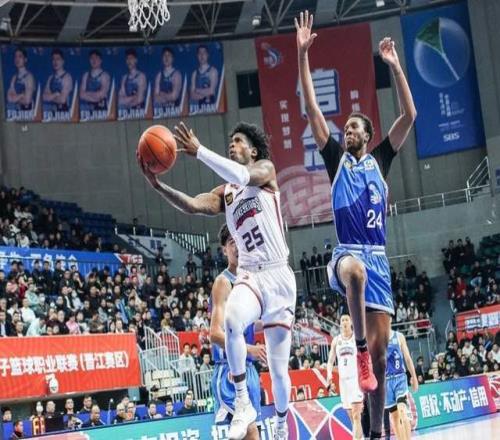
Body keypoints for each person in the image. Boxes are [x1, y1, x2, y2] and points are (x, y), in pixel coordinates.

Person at [296, 10, 416, 439]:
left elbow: (410, 114)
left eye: (352, 128)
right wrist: (302, 55)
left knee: (383, 362)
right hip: (347, 253)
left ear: (367, 134)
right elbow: (312, 109)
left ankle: (376, 431)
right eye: (344, 128)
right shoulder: (336, 159)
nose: (345, 130)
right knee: (355, 273)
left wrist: (395, 66)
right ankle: (360, 349)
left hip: (379, 259)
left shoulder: (381, 158)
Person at [139, 120, 296, 440]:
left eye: (238, 141)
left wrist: (200, 151)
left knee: (279, 371)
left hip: (279, 275)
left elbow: (243, 176)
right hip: (251, 275)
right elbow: (193, 205)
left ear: (253, 150)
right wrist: (158, 186)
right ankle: (242, 402)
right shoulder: (226, 194)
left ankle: (281, 422)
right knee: (232, 320)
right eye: (231, 141)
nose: (232, 145)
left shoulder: (265, 171)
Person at [209, 224, 264, 440]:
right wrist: (248, 348)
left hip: (248, 368)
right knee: (250, 432)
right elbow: (215, 333)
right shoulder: (223, 282)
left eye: (241, 241)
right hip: (229, 369)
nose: (238, 247)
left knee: (250, 433)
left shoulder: (249, 281)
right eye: (233, 243)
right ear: (224, 250)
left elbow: (249, 324)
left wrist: (277, 322)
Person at [327, 315, 364, 440]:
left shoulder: (357, 338)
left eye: (347, 320)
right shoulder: (336, 340)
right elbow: (330, 361)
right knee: (352, 417)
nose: (344, 322)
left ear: (351, 322)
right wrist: (329, 375)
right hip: (343, 382)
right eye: (342, 320)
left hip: (355, 380)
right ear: (340, 323)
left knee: (356, 415)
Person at [385, 330, 418, 440]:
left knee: (403, 411)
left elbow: (407, 358)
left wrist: (414, 377)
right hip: (386, 382)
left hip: (400, 378)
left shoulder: (399, 336)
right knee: (394, 418)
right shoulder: (377, 338)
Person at [42, 49, 73, 118]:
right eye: (53, 59)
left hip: (64, 115)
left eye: (58, 59)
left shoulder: (67, 77)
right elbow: (43, 97)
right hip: (51, 114)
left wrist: (50, 97)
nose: (55, 62)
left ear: (63, 61)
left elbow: (62, 100)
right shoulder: (50, 78)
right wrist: (56, 94)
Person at [79, 50, 110, 116]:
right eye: (92, 58)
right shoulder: (86, 75)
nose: (94, 60)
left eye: (96, 58)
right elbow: (81, 95)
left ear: (100, 60)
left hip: (101, 110)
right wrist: (95, 98)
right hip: (88, 109)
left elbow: (101, 95)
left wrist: (87, 93)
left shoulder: (105, 75)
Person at [154, 46, 183, 117]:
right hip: (162, 112)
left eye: (169, 55)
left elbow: (174, 96)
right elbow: (156, 97)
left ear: (172, 58)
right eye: (164, 55)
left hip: (175, 112)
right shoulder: (159, 75)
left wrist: (162, 94)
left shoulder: (176, 74)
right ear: (162, 58)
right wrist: (167, 97)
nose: (166, 58)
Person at [118, 48, 147, 113]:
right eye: (127, 59)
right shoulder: (124, 78)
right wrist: (133, 97)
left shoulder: (141, 76)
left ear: (136, 60)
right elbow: (120, 100)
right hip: (127, 113)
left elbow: (139, 99)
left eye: (131, 58)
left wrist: (127, 103)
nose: (129, 61)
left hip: (139, 112)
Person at [7, 48, 35, 113]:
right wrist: (21, 95)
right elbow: (9, 99)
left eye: (20, 56)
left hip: (28, 114)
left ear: (25, 59)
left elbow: (27, 100)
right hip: (16, 114)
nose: (17, 59)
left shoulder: (29, 77)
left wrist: (14, 97)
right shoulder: (14, 77)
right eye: (15, 56)